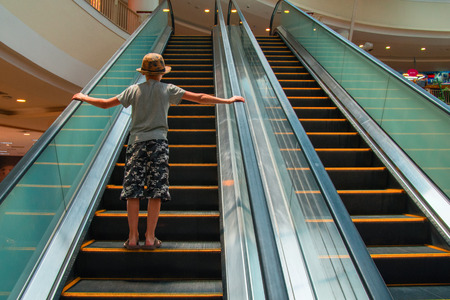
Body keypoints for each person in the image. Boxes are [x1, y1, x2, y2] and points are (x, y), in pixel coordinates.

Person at [72, 53, 244, 250]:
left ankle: (133, 237)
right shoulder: (167, 89)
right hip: (158, 145)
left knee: (132, 191)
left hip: (136, 144)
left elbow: (104, 104)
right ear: (161, 73)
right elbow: (200, 98)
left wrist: (84, 97)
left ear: (144, 74)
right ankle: (150, 238)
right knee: (156, 190)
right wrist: (227, 100)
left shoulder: (133, 90)